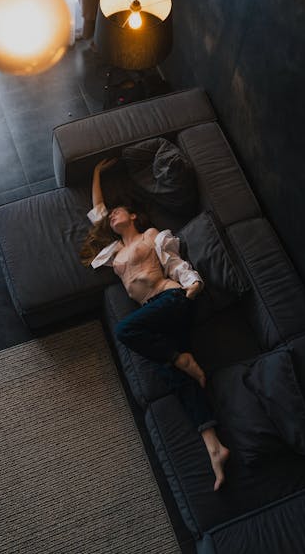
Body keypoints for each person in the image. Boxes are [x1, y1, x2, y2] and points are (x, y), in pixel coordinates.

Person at [80, 158, 230, 491]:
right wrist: (95, 173)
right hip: (156, 319)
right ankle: (214, 446)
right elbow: (97, 211)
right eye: (112, 214)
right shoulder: (114, 251)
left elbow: (175, 264)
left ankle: (181, 359)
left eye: (120, 211)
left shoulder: (151, 236)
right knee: (175, 379)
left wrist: (193, 284)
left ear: (133, 216)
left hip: (172, 300)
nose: (114, 215)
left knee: (125, 330)